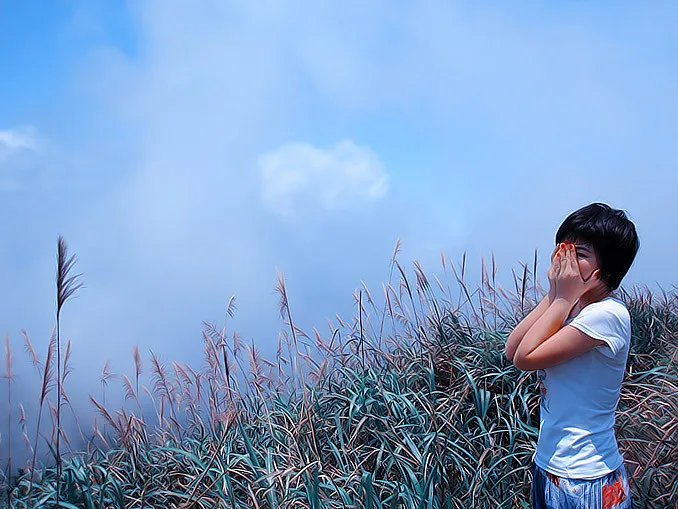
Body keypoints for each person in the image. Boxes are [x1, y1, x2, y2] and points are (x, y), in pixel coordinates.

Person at [504, 202, 640, 509]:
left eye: (578, 254)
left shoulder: (607, 314)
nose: (564, 261)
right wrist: (556, 294)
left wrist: (562, 298)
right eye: (562, 251)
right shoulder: (573, 306)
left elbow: (525, 359)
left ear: (606, 268)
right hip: (549, 466)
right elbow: (513, 348)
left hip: (589, 478)